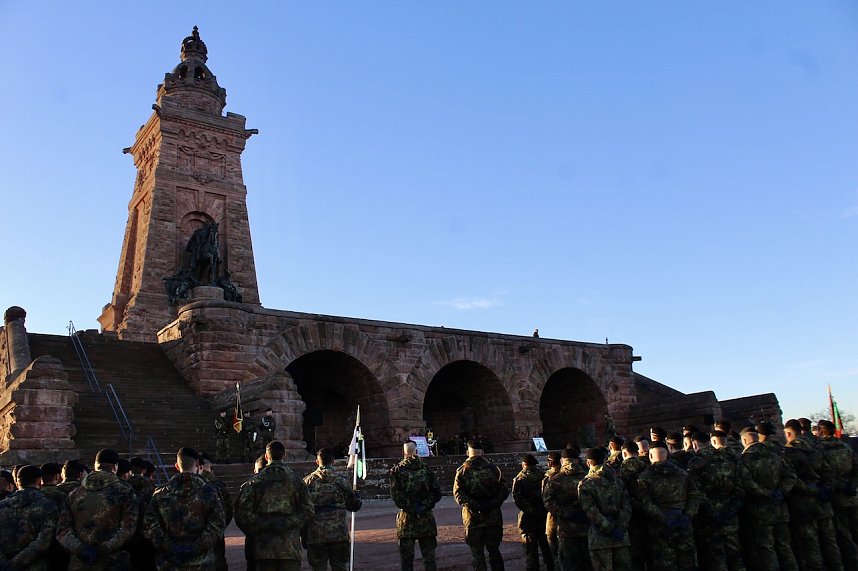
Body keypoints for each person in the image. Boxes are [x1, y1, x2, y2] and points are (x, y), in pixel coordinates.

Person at [235, 441, 315, 571]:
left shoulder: (254, 482)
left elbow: (242, 514)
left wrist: (262, 525)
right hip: (289, 547)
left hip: (263, 547)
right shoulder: (296, 481)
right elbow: (308, 510)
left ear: (266, 457)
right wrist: (289, 523)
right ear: (284, 455)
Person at [144, 447, 225, 570]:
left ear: (177, 466)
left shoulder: (160, 494)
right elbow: (217, 524)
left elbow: (150, 525)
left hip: (170, 562)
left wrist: (168, 545)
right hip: (201, 563)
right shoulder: (209, 492)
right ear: (198, 464)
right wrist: (197, 546)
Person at [57, 448, 139, 570]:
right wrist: (105, 548)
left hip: (81, 563)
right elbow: (128, 528)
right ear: (115, 467)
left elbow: (63, 530)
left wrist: (79, 548)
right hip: (113, 562)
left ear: (95, 466)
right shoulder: (125, 492)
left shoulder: (75, 494)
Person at [782, 419, 843, 571]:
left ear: (788, 433)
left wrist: (810, 490)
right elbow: (828, 473)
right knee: (830, 543)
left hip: (804, 507)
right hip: (823, 504)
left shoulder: (787, 453)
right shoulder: (816, 450)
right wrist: (825, 489)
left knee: (811, 548)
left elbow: (791, 479)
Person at [737, 425, 798, 571]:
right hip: (780, 508)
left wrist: (766, 494)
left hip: (760, 511)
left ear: (744, 440)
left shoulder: (744, 460)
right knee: (785, 546)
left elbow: (748, 484)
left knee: (766, 549)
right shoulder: (775, 455)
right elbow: (790, 476)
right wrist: (781, 492)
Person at [687, 430, 746, 571]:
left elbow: (697, 493)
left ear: (695, 444)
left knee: (716, 557)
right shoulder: (729, 459)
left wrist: (711, 512)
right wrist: (733, 508)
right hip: (730, 512)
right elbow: (740, 487)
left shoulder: (696, 463)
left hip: (710, 518)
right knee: (736, 555)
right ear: (709, 442)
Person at [637, 443, 700, 571]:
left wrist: (663, 518)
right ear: (668, 455)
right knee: (688, 562)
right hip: (683, 521)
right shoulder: (683, 474)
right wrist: (688, 515)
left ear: (650, 455)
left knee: (665, 564)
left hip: (660, 527)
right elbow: (695, 496)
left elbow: (646, 503)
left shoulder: (645, 477)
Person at [302, 448, 362, 571]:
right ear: (333, 461)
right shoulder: (341, 481)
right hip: (338, 534)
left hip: (315, 534)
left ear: (317, 462)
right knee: (339, 566)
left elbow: (302, 510)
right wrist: (357, 496)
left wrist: (303, 534)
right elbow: (354, 506)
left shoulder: (307, 482)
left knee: (318, 568)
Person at [453, 439, 510, 571]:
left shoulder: (462, 471)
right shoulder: (494, 470)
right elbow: (504, 490)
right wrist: (491, 504)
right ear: (482, 452)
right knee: (494, 550)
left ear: (468, 452)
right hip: (493, 516)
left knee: (477, 553)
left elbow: (458, 495)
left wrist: (475, 505)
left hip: (473, 517)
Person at [389, 440, 443, 571]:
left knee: (407, 560)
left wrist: (411, 507)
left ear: (404, 452)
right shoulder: (426, 469)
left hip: (407, 520)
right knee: (429, 559)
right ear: (416, 451)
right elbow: (436, 493)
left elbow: (397, 496)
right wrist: (424, 506)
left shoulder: (397, 471)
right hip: (426, 518)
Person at [578, 447, 632, 571]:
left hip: (599, 537)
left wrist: (608, 527)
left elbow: (590, 510)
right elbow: (627, 506)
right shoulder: (618, 481)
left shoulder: (586, 484)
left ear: (588, 463)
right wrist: (620, 526)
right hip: (621, 535)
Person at [817, 419, 858, 569]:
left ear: (821, 431)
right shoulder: (846, 447)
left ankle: (852, 562)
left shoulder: (820, 450)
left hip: (835, 497)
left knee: (843, 533)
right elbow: (856, 469)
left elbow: (824, 474)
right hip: (851, 494)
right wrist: (852, 485)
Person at [0, 464, 58, 569]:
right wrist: (16, 563)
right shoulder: (47, 505)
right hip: (35, 565)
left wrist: (5, 563)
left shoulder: (2, 505)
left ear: (17, 482)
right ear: (39, 481)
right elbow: (44, 540)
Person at [542, 447, 590, 570]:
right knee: (588, 562)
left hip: (566, 528)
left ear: (563, 461)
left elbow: (547, 501)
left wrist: (563, 513)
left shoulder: (555, 480)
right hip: (587, 525)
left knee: (569, 563)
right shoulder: (588, 477)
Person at [512, 454, 554, 571]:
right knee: (547, 549)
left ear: (524, 465)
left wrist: (530, 510)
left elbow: (518, 499)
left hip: (528, 519)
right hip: (543, 516)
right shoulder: (544, 476)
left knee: (531, 552)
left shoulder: (520, 479)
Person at [616, 440, 648, 571]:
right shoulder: (647, 466)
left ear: (623, 453)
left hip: (631, 516)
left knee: (635, 556)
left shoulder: (620, 472)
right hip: (650, 512)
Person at [199, 452, 233, 571]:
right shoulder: (219, 486)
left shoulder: (193, 484)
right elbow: (228, 510)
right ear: (211, 465)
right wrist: (219, 527)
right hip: (216, 538)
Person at [542, 451, 562, 566]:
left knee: (553, 543)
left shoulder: (549, 478)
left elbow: (545, 500)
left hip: (554, 517)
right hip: (571, 517)